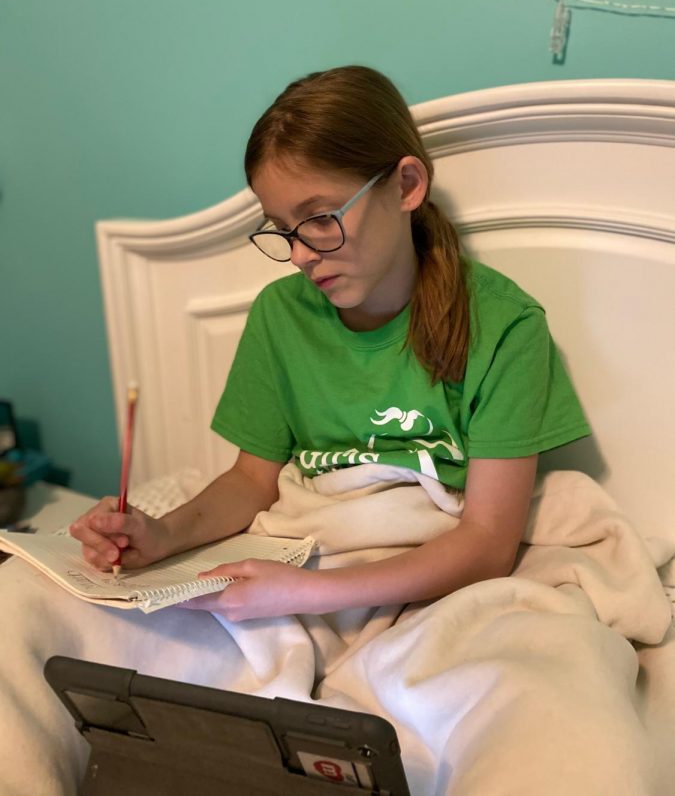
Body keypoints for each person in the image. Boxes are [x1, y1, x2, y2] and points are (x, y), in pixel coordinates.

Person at [69, 65, 591, 622]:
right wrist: (161, 534)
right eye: (282, 229)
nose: (300, 255)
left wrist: (303, 592)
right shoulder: (281, 315)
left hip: (420, 573)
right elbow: (251, 481)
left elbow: (487, 543)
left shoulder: (505, 326)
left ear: (407, 186)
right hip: (301, 550)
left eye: (319, 219)